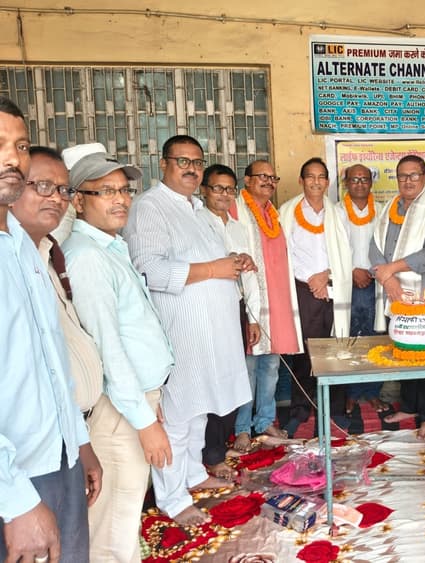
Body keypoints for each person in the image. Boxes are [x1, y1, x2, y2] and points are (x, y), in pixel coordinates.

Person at [123, 135, 254, 526]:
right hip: (180, 331)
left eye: (197, 162)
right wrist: (215, 269)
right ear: (163, 163)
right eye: (182, 161)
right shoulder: (150, 207)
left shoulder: (196, 208)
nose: (192, 169)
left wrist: (233, 260)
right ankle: (172, 497)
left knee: (199, 411)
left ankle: (193, 474)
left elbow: (203, 259)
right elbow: (148, 269)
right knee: (178, 415)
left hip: (210, 332)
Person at [61, 143, 174, 562]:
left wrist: (149, 407)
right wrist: (144, 422)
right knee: (113, 531)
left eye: (124, 190)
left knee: (123, 522)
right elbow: (109, 351)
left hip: (133, 403)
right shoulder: (87, 257)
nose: (121, 199)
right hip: (118, 414)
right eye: (105, 191)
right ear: (78, 200)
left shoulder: (110, 246)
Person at [0, 97, 101, 563]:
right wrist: (16, 500)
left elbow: (50, 362)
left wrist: (78, 444)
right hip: (15, 481)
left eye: (20, 146)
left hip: (57, 460)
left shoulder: (23, 247)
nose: (11, 158)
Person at [10, 146, 103, 418]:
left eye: (64, 190)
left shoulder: (49, 253)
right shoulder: (9, 265)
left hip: (74, 424)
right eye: (43, 186)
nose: (56, 198)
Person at [370, 154, 425, 440]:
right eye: (402, 176)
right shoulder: (389, 208)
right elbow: (374, 248)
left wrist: (390, 270)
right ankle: (409, 407)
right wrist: (388, 280)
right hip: (395, 295)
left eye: (414, 175)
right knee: (404, 350)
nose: (408, 181)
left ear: (424, 177)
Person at [196, 164, 262, 477]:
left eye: (229, 189)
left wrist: (252, 317)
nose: (224, 195)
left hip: (235, 307)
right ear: (204, 191)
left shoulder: (236, 226)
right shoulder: (195, 223)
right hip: (207, 311)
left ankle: (221, 445)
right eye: (217, 188)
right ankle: (210, 451)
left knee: (234, 376)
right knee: (212, 379)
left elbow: (248, 274)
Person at [278, 157, 352, 436]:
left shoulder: (338, 213)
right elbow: (283, 253)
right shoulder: (287, 212)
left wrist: (327, 276)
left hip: (334, 286)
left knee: (336, 348)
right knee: (304, 352)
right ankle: (300, 409)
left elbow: (346, 252)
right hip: (302, 289)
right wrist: (312, 281)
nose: (316, 182)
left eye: (321, 177)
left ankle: (334, 409)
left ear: (328, 182)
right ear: (301, 180)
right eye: (310, 176)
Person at [233, 160, 303, 448]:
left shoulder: (274, 213)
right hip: (249, 300)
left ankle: (264, 421)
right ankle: (242, 427)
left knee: (271, 367)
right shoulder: (236, 209)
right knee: (247, 367)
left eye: (273, 177)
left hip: (276, 300)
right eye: (262, 176)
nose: (269, 181)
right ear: (247, 180)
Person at [336, 164, 389, 414]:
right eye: (354, 179)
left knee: (374, 338)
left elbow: (387, 245)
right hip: (346, 285)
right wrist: (352, 271)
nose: (359, 183)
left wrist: (370, 272)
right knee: (349, 339)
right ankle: (351, 392)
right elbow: (332, 247)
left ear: (371, 182)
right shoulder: (336, 212)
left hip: (375, 282)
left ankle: (372, 392)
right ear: (346, 183)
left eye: (364, 179)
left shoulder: (382, 211)